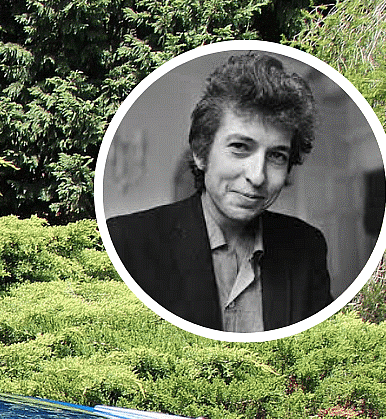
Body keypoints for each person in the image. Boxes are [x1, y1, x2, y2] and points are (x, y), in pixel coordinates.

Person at [106, 52, 332, 333]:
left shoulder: (306, 247)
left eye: (276, 156)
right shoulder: (125, 242)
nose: (257, 176)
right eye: (239, 147)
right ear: (201, 153)